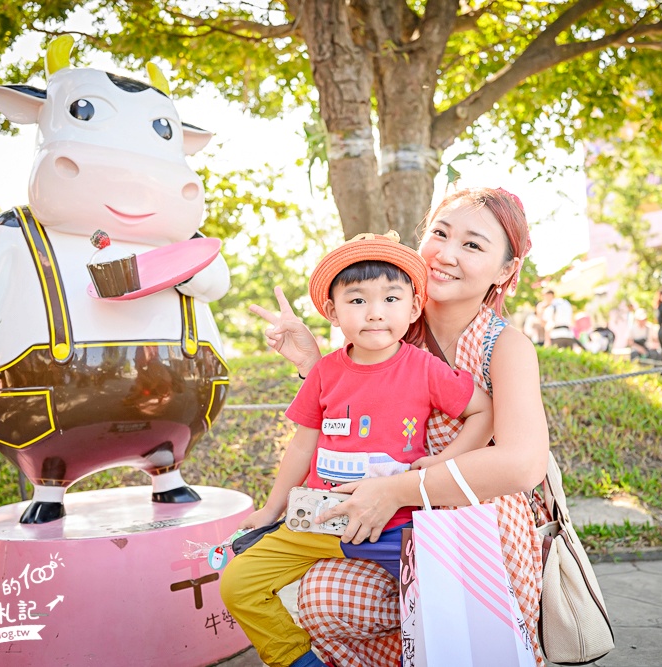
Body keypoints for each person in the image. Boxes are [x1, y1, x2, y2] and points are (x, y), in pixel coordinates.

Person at [250, 187, 550, 666]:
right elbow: (348, 406)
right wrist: (313, 364)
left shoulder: (505, 346)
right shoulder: (389, 327)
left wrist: (400, 489)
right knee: (323, 598)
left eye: (473, 245)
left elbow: (522, 462)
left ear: (505, 271)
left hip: (474, 521)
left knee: (466, 635)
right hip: (385, 520)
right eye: (440, 233)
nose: (447, 254)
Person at [222, 232, 495, 667]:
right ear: (332, 311)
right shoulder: (325, 372)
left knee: (448, 600)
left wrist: (444, 462)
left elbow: (483, 412)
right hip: (318, 522)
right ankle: (301, 662)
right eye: (356, 301)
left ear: (413, 307)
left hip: (396, 528)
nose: (374, 313)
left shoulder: (424, 368)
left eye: (390, 299)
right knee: (238, 584)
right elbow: (302, 445)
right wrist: (270, 510)